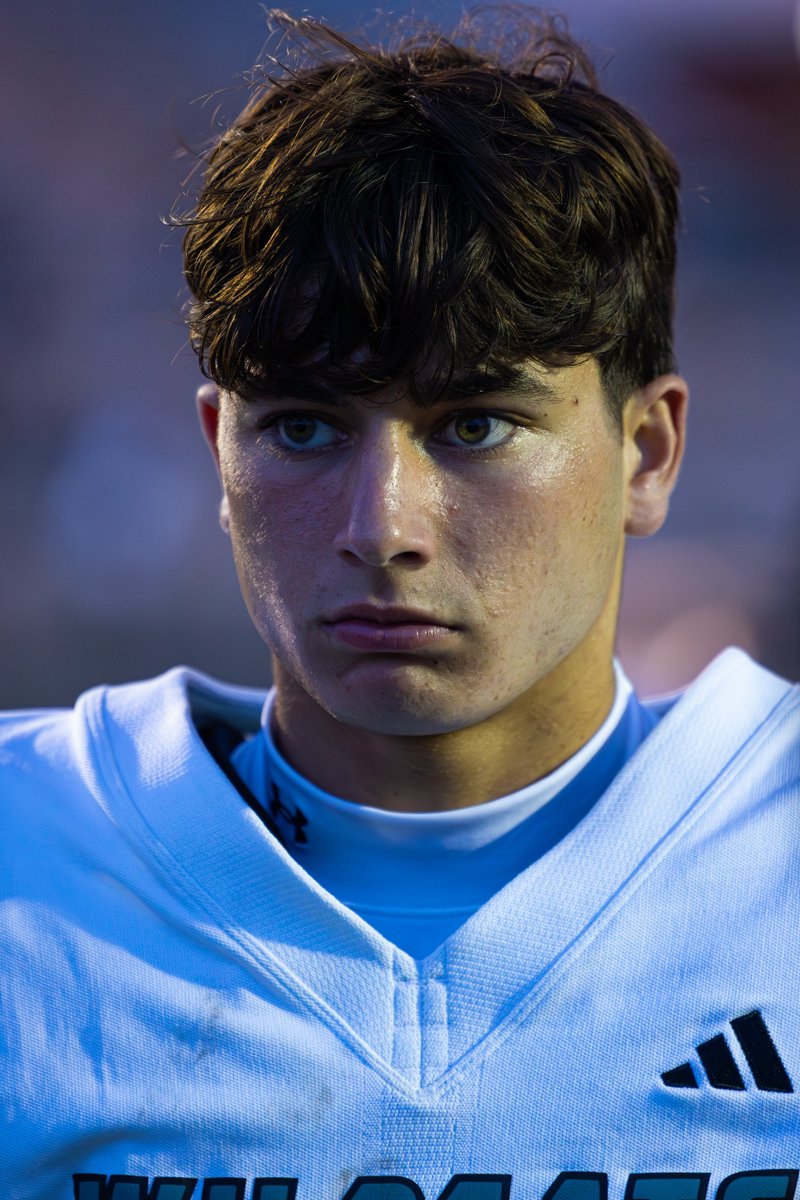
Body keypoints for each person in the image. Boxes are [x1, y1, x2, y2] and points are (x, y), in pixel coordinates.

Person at [2, 8, 799, 1198]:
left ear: (646, 452)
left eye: (473, 427)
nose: (382, 528)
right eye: (302, 429)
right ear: (219, 452)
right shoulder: (28, 857)